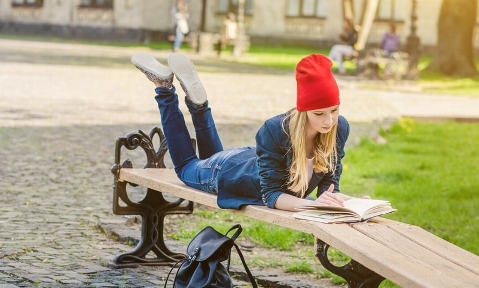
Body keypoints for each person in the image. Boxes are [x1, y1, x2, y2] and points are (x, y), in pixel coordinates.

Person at [130, 52, 356, 211]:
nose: (329, 120)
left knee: (209, 160)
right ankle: (164, 88)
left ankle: (198, 104)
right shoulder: (276, 129)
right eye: (319, 114)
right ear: (303, 110)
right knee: (185, 165)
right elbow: (272, 195)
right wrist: (313, 206)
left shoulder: (339, 128)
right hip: (227, 174)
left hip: (246, 162)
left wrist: (356, 205)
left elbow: (330, 187)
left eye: (334, 110)